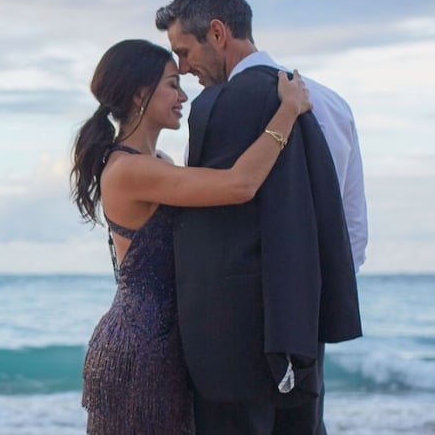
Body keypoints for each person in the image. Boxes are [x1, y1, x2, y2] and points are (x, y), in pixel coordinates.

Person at [156, 0, 367, 434]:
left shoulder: (218, 105)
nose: (183, 67)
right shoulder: (332, 103)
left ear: (218, 33)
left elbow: (211, 227)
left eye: (184, 51)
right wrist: (305, 298)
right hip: (305, 327)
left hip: (231, 337)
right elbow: (350, 230)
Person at [71, 38, 311, 434]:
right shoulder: (131, 171)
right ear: (139, 94)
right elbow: (239, 185)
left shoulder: (156, 164)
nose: (183, 94)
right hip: (140, 349)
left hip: (162, 344)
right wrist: (288, 110)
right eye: (171, 84)